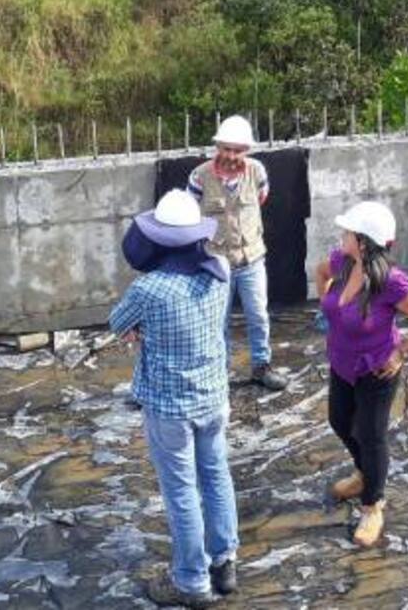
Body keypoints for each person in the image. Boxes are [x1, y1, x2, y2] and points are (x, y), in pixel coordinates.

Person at [109, 190, 238, 608]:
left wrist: (140, 331)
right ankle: (225, 560)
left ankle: (191, 582)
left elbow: (117, 323)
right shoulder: (220, 268)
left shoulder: (150, 288)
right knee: (216, 475)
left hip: (170, 407)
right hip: (213, 395)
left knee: (182, 492)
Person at [313, 201, 408, 548]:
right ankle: (362, 472)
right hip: (341, 361)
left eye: (347, 233)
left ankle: (373, 505)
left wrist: (401, 352)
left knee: (370, 435)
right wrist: (328, 308)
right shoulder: (341, 262)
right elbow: (320, 273)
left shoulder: (391, 283)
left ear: (365, 241)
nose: (341, 236)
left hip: (375, 369)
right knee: (340, 421)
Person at [187, 114, 286, 391]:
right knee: (218, 321)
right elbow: (189, 215)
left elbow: (261, 199)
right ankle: (220, 372)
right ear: (217, 146)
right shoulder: (199, 177)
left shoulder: (257, 171)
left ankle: (261, 367)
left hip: (252, 259)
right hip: (216, 263)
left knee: (258, 315)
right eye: (226, 148)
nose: (231, 155)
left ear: (247, 150)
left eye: (238, 150)